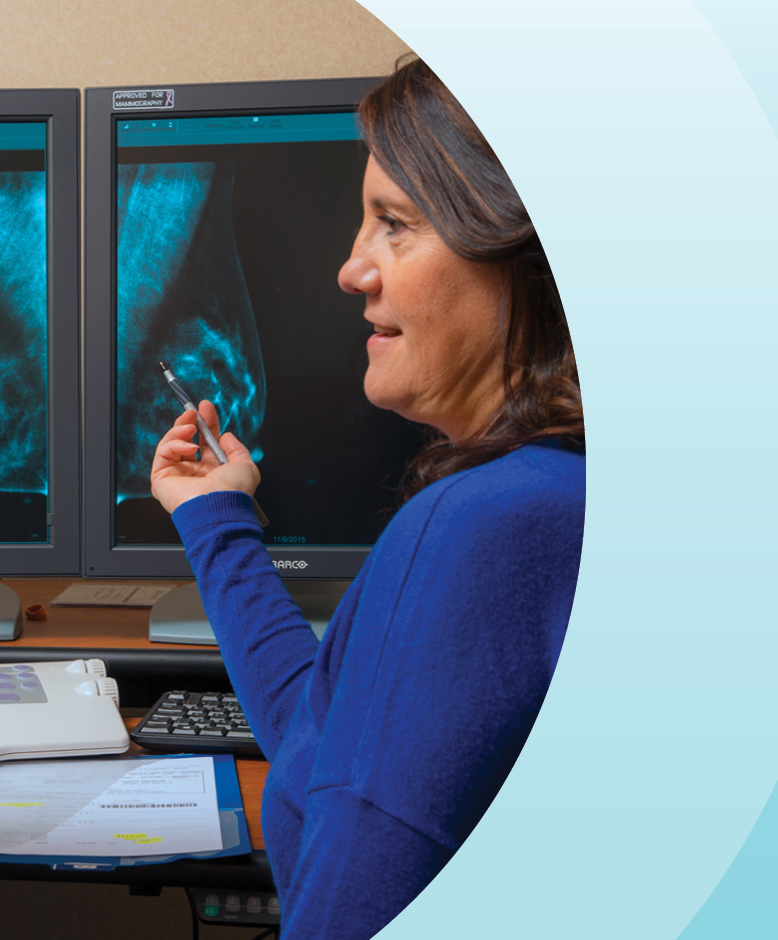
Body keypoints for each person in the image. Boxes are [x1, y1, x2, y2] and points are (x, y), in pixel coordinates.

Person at [149, 58, 585, 940]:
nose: (352, 270)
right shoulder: (566, 490)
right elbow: (331, 743)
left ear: (518, 248)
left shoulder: (484, 528)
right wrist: (215, 520)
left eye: (394, 225)